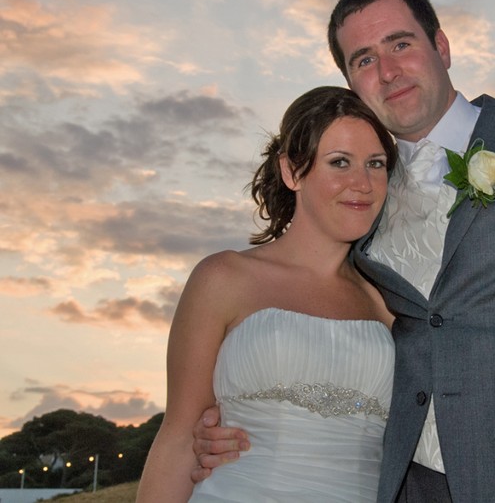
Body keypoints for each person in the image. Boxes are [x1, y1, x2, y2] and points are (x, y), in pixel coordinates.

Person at [193, 0, 495, 502]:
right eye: (364, 60)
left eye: (400, 44)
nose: (388, 70)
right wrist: (244, 416)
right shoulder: (362, 197)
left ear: (441, 47)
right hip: (407, 486)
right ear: (352, 83)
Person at [136, 86, 398, 502]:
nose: (362, 183)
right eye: (339, 162)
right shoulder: (224, 278)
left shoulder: (390, 302)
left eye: (376, 164)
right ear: (292, 171)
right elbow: (179, 436)